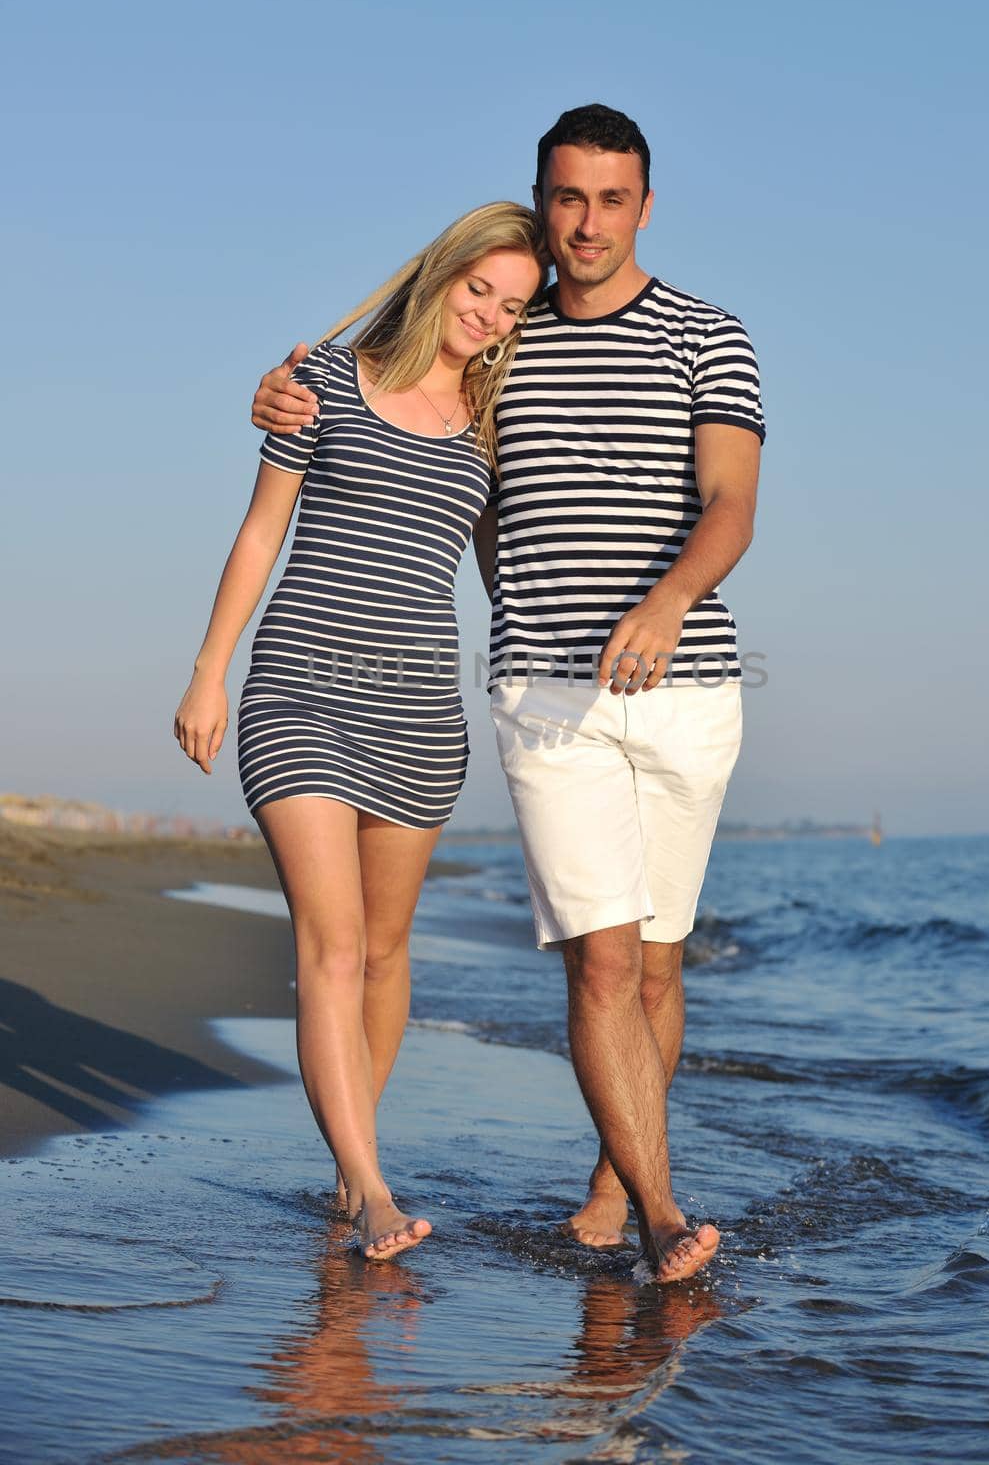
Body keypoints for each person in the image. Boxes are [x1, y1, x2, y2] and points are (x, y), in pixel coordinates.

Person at [252, 105, 765, 1284]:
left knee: (654, 965)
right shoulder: (501, 344)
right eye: (566, 198)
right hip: (544, 692)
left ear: (645, 204)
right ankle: (658, 1212)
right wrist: (280, 401)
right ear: (541, 199)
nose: (586, 223)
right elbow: (391, 396)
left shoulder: (707, 334)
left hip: (688, 686)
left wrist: (666, 599)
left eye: (612, 199)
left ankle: (610, 1174)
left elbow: (729, 505)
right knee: (597, 959)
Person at [174, 202, 548, 1261]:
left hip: (422, 712)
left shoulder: (493, 409)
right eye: (478, 289)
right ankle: (377, 1191)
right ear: (440, 275)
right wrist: (209, 672)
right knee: (331, 947)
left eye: (512, 306)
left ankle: (348, 1165)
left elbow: (496, 562)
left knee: (384, 952)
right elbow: (261, 529)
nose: (488, 315)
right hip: (296, 690)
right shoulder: (323, 377)